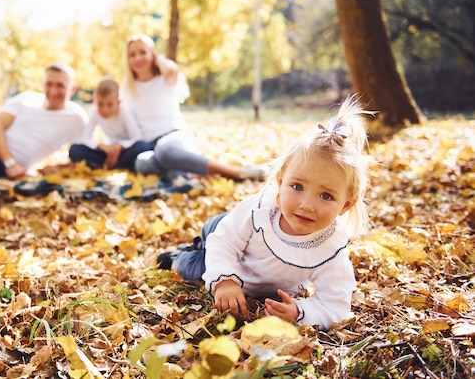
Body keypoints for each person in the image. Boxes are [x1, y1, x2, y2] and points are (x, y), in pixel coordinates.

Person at [157, 98, 373, 330]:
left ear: (345, 206)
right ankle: (181, 254)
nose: (307, 205)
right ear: (280, 182)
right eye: (297, 187)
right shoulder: (259, 211)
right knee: (195, 264)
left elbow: (336, 306)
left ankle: (191, 254)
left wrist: (300, 313)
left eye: (326, 196)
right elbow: (225, 242)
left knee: (198, 263)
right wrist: (225, 282)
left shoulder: (330, 249)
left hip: (253, 274)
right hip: (228, 237)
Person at [120, 34, 264, 180]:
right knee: (142, 163)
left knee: (165, 151)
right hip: (150, 145)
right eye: (132, 55)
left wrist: (158, 60)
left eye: (143, 52)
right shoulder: (126, 90)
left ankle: (236, 172)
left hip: (173, 136)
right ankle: (188, 173)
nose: (138, 58)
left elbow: (172, 70)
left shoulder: (165, 78)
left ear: (153, 54)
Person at [68, 77, 152, 171]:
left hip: (124, 150)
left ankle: (109, 165)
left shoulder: (123, 111)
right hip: (106, 151)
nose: (105, 110)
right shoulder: (95, 111)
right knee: (74, 150)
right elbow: (85, 138)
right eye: (100, 104)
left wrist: (120, 146)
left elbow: (137, 137)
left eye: (110, 105)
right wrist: (101, 146)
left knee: (143, 146)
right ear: (95, 101)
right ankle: (113, 164)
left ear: (118, 102)